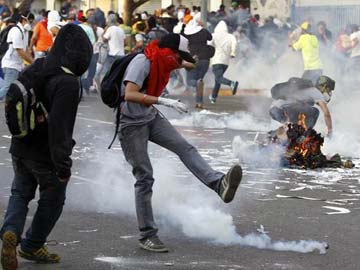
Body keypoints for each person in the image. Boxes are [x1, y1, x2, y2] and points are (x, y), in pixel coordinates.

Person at [117, 33, 242, 252]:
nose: (178, 60)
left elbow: (190, 64)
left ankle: (217, 184)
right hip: (131, 123)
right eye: (177, 55)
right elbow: (129, 94)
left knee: (185, 147)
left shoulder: (166, 60)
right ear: (169, 52)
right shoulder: (143, 62)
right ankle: (147, 235)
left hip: (149, 115)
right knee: (145, 177)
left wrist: (190, 55)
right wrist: (164, 100)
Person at [0, 23, 93, 269]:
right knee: (53, 198)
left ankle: (10, 231)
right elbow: (59, 130)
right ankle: (32, 245)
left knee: (20, 194)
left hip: (20, 146)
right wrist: (63, 166)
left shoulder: (39, 66)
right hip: (44, 155)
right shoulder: (68, 83)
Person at [269, 76, 335, 136]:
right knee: (315, 112)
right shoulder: (315, 92)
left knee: (289, 127)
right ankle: (304, 134)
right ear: (324, 87)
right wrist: (330, 131)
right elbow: (327, 114)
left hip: (274, 111)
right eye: (329, 90)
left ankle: (272, 135)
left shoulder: (305, 90)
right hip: (287, 110)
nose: (329, 93)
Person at [182, 13, 214, 109]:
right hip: (205, 58)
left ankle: (196, 86)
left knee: (190, 80)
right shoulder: (203, 31)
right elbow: (210, 37)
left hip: (192, 58)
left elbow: (181, 41)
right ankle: (199, 102)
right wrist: (202, 27)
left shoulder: (186, 33)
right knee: (200, 80)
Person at [0, 13, 33, 100]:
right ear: (23, 20)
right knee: (8, 89)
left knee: (15, 88)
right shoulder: (16, 31)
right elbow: (20, 51)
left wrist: (32, 61)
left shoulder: (25, 32)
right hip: (11, 65)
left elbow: (25, 50)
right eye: (29, 21)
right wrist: (33, 62)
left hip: (17, 65)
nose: (30, 23)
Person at [209, 20, 238, 104]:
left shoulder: (213, 35)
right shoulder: (230, 36)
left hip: (216, 60)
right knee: (218, 79)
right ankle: (213, 97)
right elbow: (234, 43)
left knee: (218, 78)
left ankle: (231, 83)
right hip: (226, 62)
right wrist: (233, 53)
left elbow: (209, 45)